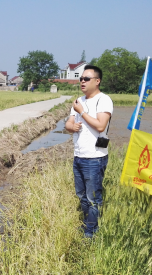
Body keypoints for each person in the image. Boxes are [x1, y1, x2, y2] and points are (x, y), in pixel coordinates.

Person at [64, 65, 113, 238]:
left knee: (93, 198)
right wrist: (73, 126)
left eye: (86, 79)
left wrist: (82, 113)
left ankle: (91, 232)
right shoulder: (79, 101)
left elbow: (101, 125)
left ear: (97, 81)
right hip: (79, 155)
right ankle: (87, 225)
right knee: (81, 195)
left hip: (95, 158)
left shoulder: (103, 100)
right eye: (81, 79)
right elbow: (68, 125)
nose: (82, 81)